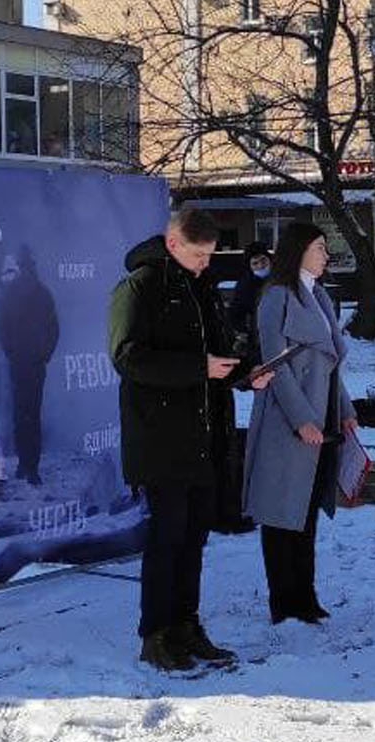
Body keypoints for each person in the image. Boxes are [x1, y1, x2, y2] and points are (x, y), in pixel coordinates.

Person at [108, 208, 272, 672]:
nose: (205, 264)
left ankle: (186, 625)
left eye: (210, 256)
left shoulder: (201, 285)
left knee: (194, 536)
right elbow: (127, 357)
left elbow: (218, 351)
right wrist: (199, 368)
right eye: (199, 255)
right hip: (161, 437)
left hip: (205, 434)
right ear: (173, 244)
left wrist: (244, 374)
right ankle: (156, 633)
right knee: (167, 537)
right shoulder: (140, 287)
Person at [244, 222, 358, 625]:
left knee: (307, 509)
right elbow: (276, 366)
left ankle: (305, 597)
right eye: (320, 247)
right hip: (287, 419)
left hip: (322, 414)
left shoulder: (320, 295)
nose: (326, 255)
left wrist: (345, 409)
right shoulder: (277, 296)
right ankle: (284, 601)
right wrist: (302, 420)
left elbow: (331, 366)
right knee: (282, 511)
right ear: (299, 251)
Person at [0, 245, 60, 486]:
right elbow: (54, 329)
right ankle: (31, 467)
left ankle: (25, 464)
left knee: (21, 414)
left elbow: (1, 327)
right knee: (32, 413)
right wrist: (44, 354)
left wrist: (11, 352)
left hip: (20, 362)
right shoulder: (43, 293)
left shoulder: (10, 292)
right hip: (34, 363)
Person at [224, 241, 272, 360]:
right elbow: (236, 313)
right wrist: (243, 333)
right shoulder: (245, 286)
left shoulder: (282, 280)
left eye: (263, 260)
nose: (260, 265)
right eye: (255, 263)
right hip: (258, 340)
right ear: (249, 267)